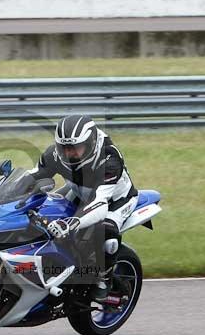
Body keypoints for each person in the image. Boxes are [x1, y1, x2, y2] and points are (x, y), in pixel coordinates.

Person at [28, 114, 138, 302]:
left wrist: (73, 222)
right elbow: (32, 177)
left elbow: (100, 203)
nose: (69, 154)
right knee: (43, 210)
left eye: (75, 148)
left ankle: (104, 279)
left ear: (91, 142)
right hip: (80, 192)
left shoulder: (109, 158)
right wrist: (1, 193)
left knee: (105, 230)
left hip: (115, 200)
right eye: (64, 148)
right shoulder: (53, 154)